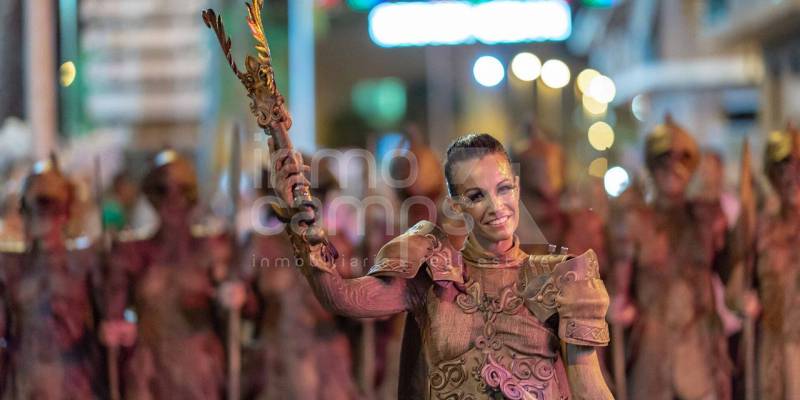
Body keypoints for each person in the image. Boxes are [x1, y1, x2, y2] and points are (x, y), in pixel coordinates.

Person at [272, 133, 613, 399]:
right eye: (477, 196)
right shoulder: (430, 273)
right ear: (456, 203)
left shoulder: (563, 278)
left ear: (517, 187)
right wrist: (300, 224)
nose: (496, 206)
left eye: (504, 189)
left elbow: (590, 391)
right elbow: (343, 299)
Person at [610, 116, 732, 400]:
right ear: (653, 167)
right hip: (652, 349)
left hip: (700, 348)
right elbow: (617, 286)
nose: (672, 170)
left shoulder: (707, 219)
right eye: (664, 162)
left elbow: (731, 274)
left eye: (681, 162)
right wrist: (616, 303)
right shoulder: (635, 220)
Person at [101, 150, 238, 400]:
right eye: (163, 191)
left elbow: (240, 313)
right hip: (149, 370)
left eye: (182, 191)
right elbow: (113, 309)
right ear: (152, 197)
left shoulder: (213, 248)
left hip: (199, 370)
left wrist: (232, 298)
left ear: (193, 196)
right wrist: (114, 325)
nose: (173, 201)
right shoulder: (131, 252)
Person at [239, 160, 358, 400]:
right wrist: (234, 299)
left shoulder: (340, 246)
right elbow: (246, 311)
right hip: (276, 365)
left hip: (327, 367)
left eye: (317, 193)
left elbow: (358, 307)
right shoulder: (259, 246)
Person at [0, 159, 103, 399]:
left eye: (49, 204)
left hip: (73, 382)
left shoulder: (85, 262)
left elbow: (104, 324)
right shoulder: (10, 266)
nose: (41, 215)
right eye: (33, 205)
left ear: (66, 211)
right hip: (25, 381)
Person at [749, 126, 800, 399]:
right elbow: (737, 282)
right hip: (775, 344)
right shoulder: (762, 227)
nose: (791, 179)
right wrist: (742, 299)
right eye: (783, 171)